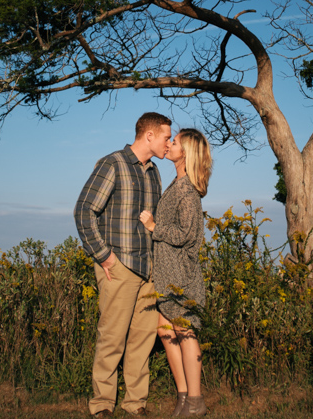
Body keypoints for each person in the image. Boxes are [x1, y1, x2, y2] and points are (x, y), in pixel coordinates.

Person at [74, 112, 173, 418]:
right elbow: (84, 211)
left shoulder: (154, 172)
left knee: (142, 341)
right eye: (166, 137)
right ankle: (102, 404)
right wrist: (104, 256)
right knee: (112, 337)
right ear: (150, 136)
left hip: (148, 269)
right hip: (119, 266)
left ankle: (135, 403)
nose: (169, 144)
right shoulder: (112, 164)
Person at [139, 128, 212, 417]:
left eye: (175, 141)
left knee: (184, 330)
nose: (169, 144)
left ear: (186, 153)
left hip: (181, 273)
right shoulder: (177, 183)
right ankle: (183, 397)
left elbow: (186, 233)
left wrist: (155, 227)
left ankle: (195, 400)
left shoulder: (188, 190)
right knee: (165, 330)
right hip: (167, 271)